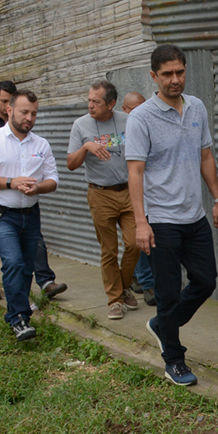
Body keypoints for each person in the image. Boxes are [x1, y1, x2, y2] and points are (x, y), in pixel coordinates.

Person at [127, 44, 218, 386]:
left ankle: (163, 325)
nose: (175, 79)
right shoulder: (141, 117)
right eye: (167, 74)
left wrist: (217, 198)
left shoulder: (196, 107)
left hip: (193, 214)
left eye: (180, 72)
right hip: (161, 219)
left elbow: (205, 156)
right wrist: (141, 222)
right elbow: (135, 172)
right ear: (154, 76)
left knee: (206, 280)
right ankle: (174, 358)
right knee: (168, 293)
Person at [0, 90, 59, 342]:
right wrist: (11, 182)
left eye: (34, 113)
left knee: (27, 266)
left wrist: (37, 187)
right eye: (24, 112)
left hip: (30, 213)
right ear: (9, 110)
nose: (29, 117)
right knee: (14, 262)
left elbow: (53, 180)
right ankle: (18, 318)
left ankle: (22, 314)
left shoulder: (41, 144)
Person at [67, 79, 140, 320]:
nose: (90, 105)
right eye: (88, 100)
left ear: (111, 103)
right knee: (108, 250)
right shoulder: (80, 126)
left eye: (95, 101)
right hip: (100, 194)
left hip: (129, 192)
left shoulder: (128, 121)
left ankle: (124, 285)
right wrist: (86, 146)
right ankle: (115, 299)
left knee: (134, 244)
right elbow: (70, 164)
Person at [122, 91, 155, 306]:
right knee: (137, 239)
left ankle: (141, 278)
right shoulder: (121, 133)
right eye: (134, 109)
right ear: (124, 110)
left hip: (149, 191)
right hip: (126, 192)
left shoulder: (149, 126)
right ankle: (147, 283)